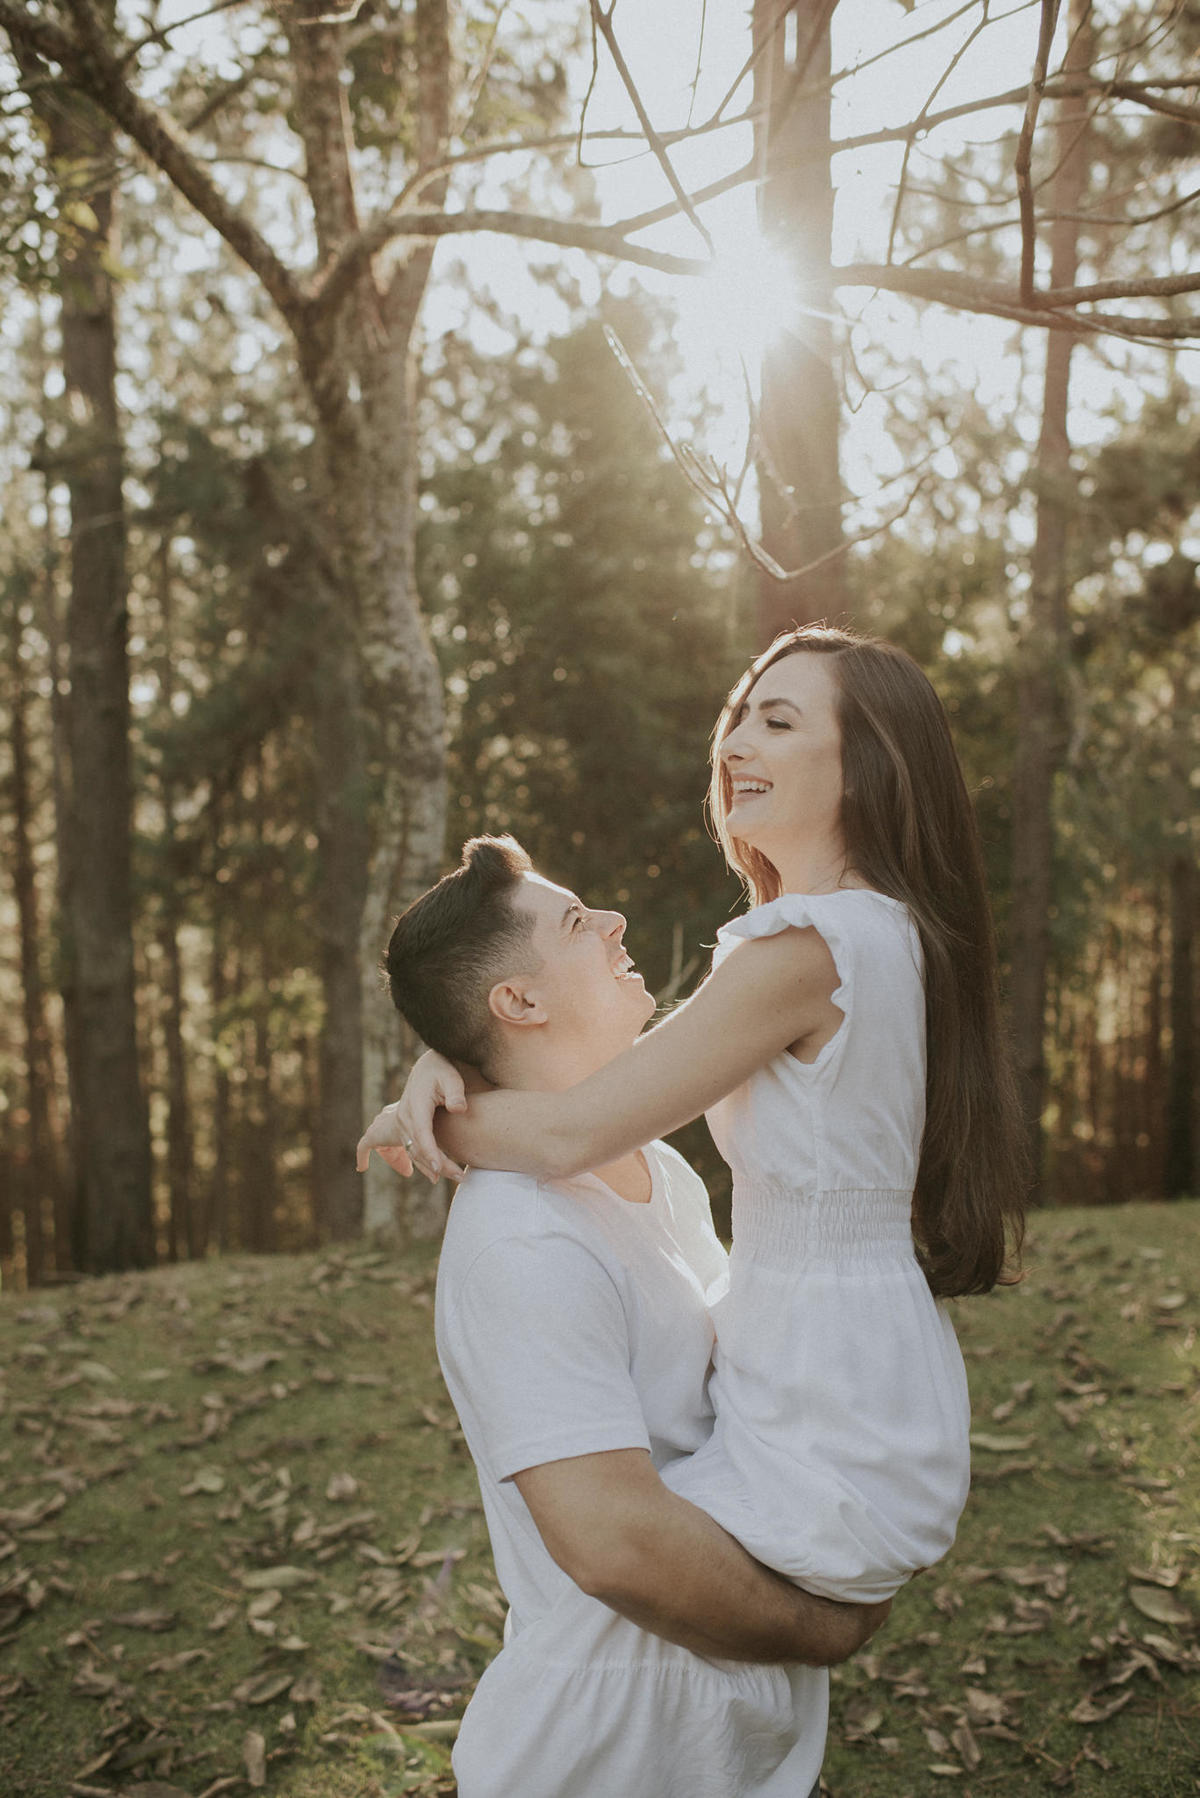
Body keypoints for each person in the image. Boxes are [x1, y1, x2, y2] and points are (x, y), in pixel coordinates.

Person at [360, 623, 1027, 1613]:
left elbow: (569, 1130)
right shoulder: (869, 933)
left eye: (779, 719)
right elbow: (621, 1060)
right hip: (844, 1371)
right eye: (739, 717)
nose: (734, 744)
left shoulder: (810, 948)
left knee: (607, 1566)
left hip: (825, 1406)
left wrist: (426, 1126)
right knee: (614, 1545)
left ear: (866, 767)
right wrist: (457, 1041)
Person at [368, 834, 890, 1798]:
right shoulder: (523, 1241)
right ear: (517, 1002)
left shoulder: (662, 1169)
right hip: (612, 1754)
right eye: (577, 920)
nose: (613, 920)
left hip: (727, 1734)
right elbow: (614, 1543)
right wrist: (824, 1626)